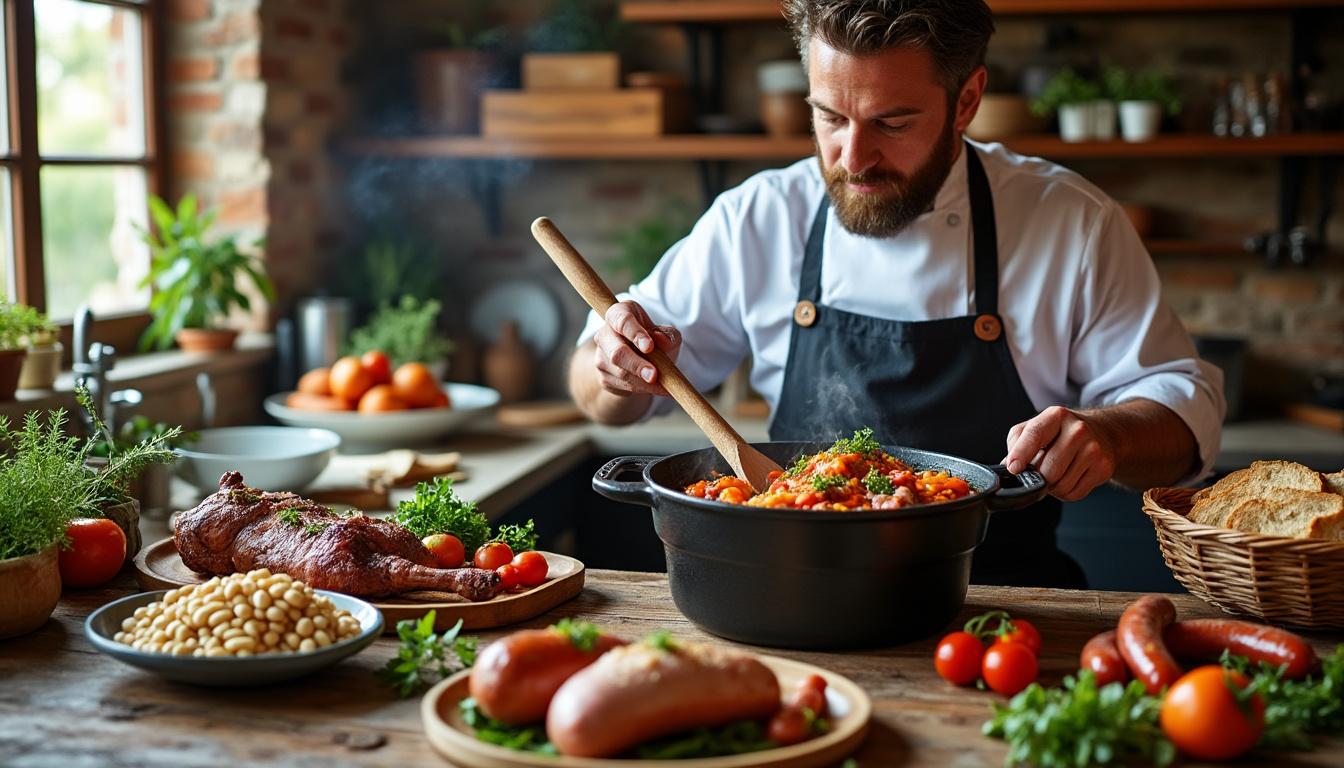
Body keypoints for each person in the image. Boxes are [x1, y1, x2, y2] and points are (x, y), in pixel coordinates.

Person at [568, 0, 1224, 587]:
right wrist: (614, 369)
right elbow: (597, 396)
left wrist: (1109, 434)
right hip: (796, 595)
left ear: (966, 101)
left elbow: (1185, 417)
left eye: (893, 122)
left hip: (1001, 603)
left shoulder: (1071, 222)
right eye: (829, 116)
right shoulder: (761, 217)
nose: (854, 158)